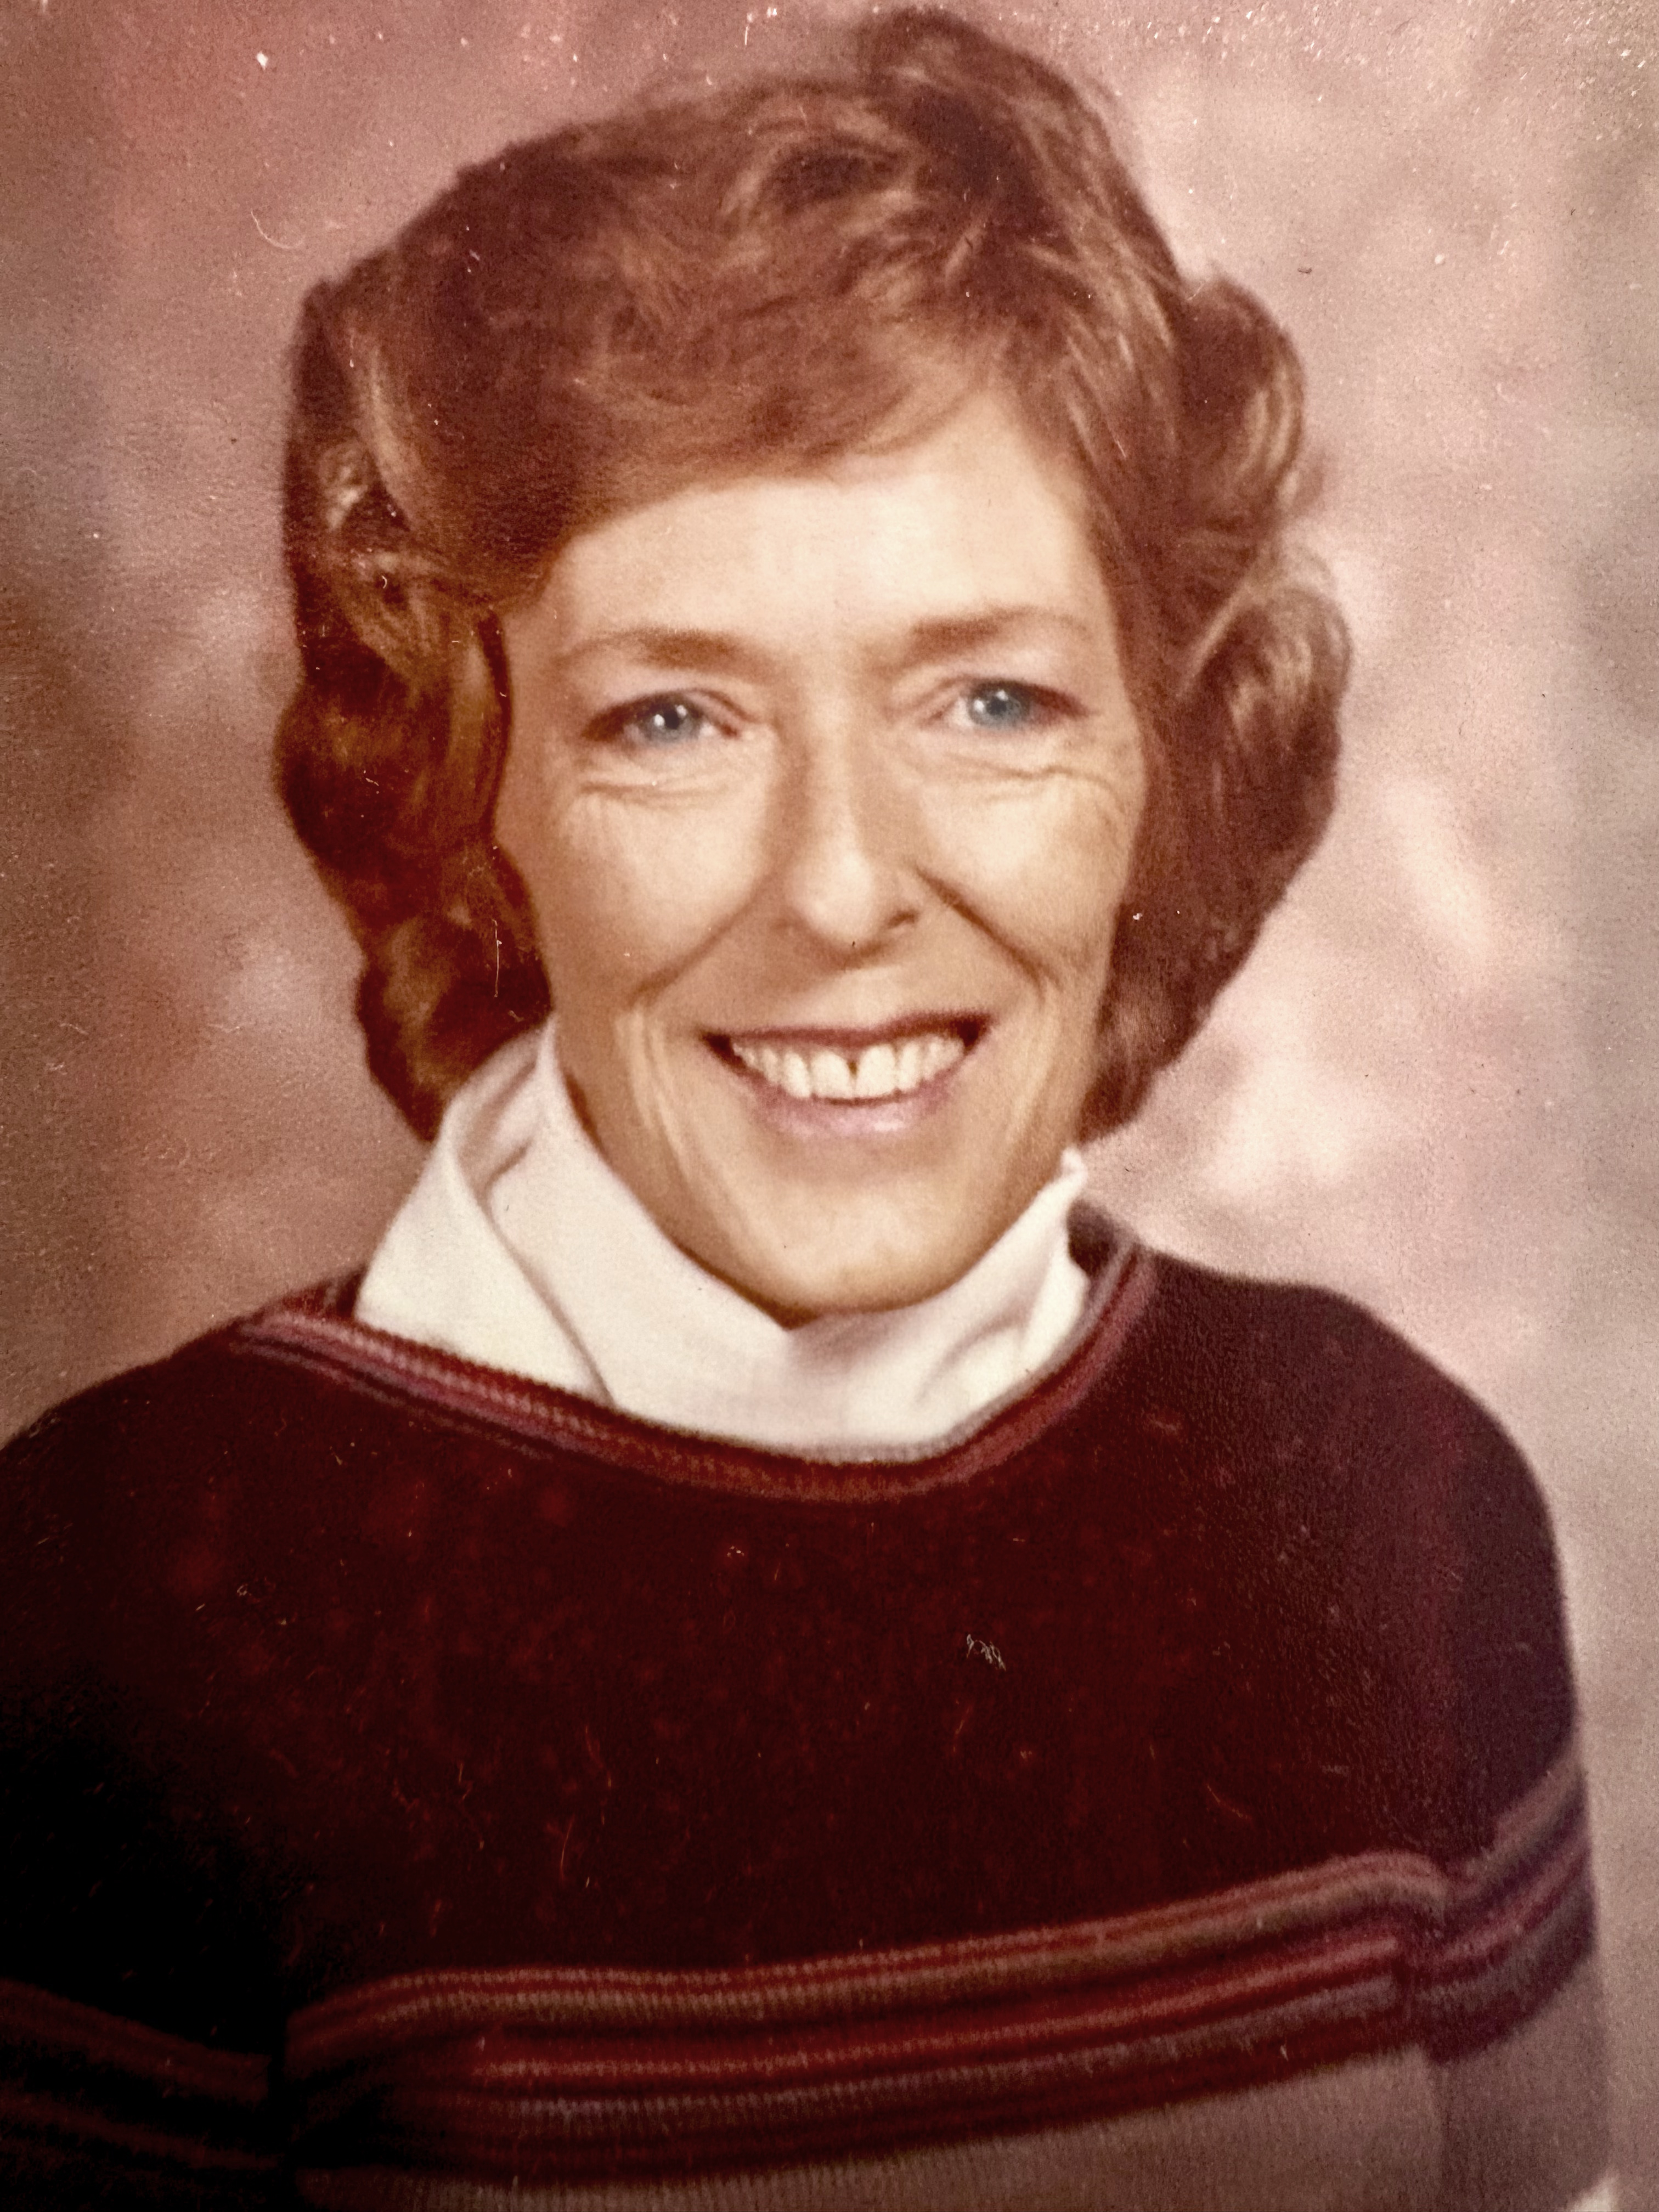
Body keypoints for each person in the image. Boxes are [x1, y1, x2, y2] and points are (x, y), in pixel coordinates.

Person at [0, 10, 1609, 2207]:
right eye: (673, 718)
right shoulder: (111, 1623)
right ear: (481, 800)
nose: (843, 889)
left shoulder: (1394, 1504)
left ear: (1164, 764)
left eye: (993, 700)